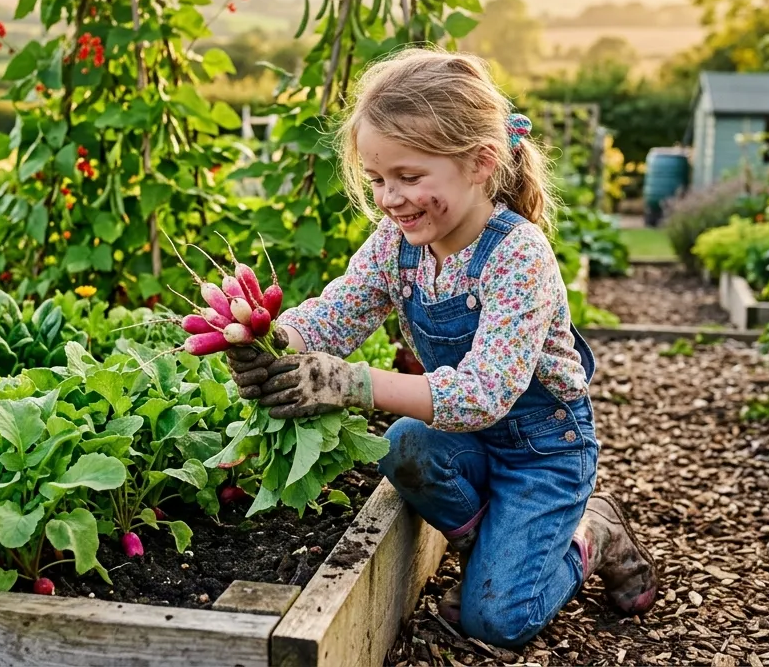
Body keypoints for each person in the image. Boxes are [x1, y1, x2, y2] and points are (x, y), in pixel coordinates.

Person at [227, 48, 658, 649]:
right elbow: (337, 312)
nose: (389, 198)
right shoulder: (394, 245)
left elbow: (483, 394)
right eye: (377, 180)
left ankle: (591, 535)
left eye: (409, 177)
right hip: (467, 442)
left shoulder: (516, 256)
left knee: (497, 622)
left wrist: (352, 384)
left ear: (480, 162)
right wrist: (274, 341)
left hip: (543, 453)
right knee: (402, 444)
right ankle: (497, 546)